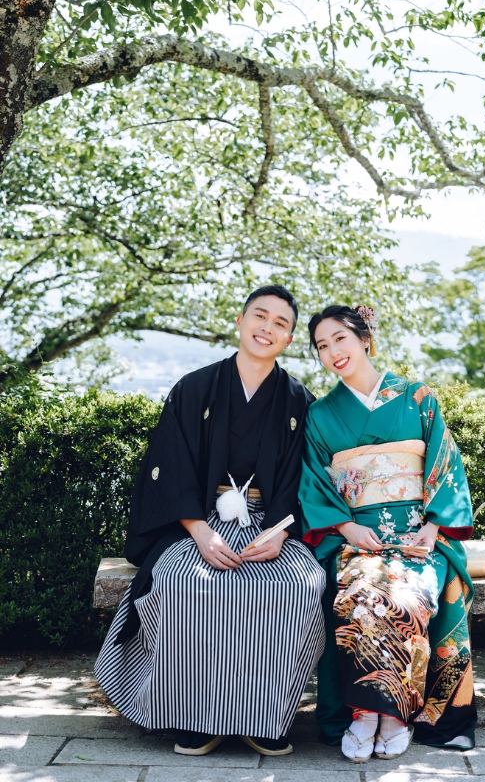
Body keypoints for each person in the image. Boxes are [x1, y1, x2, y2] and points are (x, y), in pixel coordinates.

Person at [95, 285, 324, 757]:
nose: (267, 328)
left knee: (295, 586)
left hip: (269, 525)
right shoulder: (194, 387)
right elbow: (169, 465)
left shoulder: (299, 402)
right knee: (183, 582)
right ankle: (192, 715)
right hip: (196, 520)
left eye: (281, 324)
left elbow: (306, 479)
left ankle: (264, 716)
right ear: (240, 322)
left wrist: (280, 534)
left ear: (289, 340)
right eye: (259, 317)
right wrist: (198, 530)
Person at [298, 305, 476, 762]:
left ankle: (395, 713)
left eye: (340, 339)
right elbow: (315, 480)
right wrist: (346, 525)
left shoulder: (418, 397)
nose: (333, 352)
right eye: (322, 346)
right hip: (358, 539)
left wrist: (435, 526)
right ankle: (363, 714)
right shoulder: (321, 414)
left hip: (417, 537)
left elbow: (444, 464)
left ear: (364, 338)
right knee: (360, 591)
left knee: (408, 593)